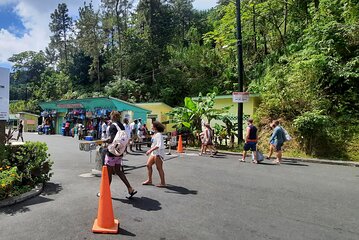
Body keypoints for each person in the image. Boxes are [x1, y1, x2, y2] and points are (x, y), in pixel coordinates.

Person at [99, 111, 137, 198]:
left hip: (112, 153)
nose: (110, 118)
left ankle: (104, 192)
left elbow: (112, 139)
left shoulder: (113, 126)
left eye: (110, 116)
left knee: (108, 174)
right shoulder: (121, 125)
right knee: (118, 171)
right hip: (119, 152)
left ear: (113, 116)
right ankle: (130, 188)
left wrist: (105, 140)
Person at [142, 121, 166, 187]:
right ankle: (149, 180)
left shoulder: (158, 135)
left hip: (158, 153)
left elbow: (158, 145)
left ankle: (163, 183)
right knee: (148, 165)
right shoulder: (155, 134)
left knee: (159, 168)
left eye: (152, 126)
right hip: (154, 153)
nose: (151, 127)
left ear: (155, 127)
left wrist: (150, 150)